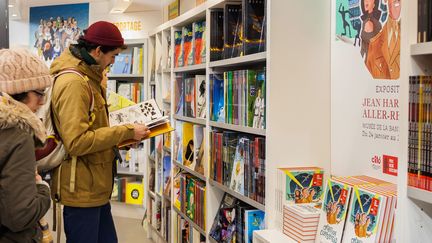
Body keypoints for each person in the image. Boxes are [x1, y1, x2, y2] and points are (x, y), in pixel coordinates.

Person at [49, 21, 150, 243]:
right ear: (97, 51)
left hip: (94, 186)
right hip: (82, 190)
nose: (113, 63)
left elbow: (95, 129)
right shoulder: (75, 84)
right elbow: (76, 141)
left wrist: (125, 136)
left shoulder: (90, 78)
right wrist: (125, 132)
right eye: (112, 56)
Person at [0, 49, 52, 243]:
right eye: (39, 94)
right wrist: (42, 188)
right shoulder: (18, 134)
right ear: (18, 92)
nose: (42, 102)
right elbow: (20, 216)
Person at [365, 0, 401, 80]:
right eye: (391, 2)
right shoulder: (374, 44)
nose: (393, 7)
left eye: (397, 2)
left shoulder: (410, 36)